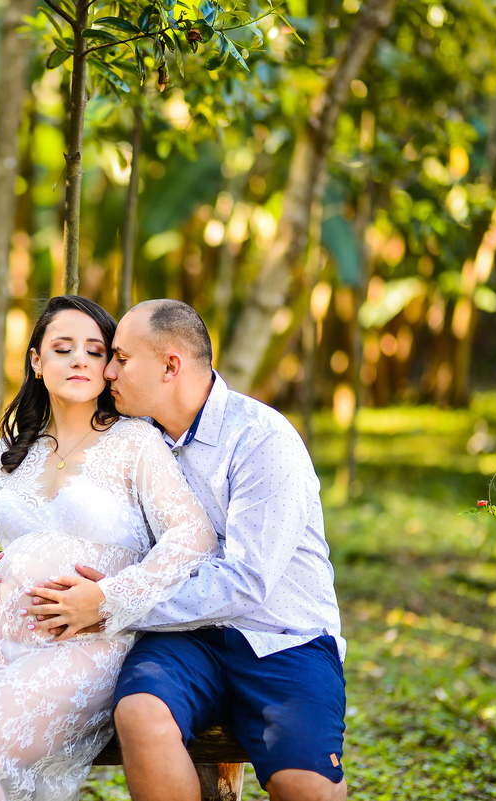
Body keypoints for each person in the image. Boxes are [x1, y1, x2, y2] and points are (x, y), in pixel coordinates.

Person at [0, 295, 219, 801]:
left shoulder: (136, 443)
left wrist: (111, 597)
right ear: (36, 360)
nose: (79, 360)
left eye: (96, 351)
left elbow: (193, 535)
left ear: (110, 367)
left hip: (91, 645)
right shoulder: (10, 455)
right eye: (62, 347)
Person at [26, 299, 348, 801]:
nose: (107, 371)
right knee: (139, 712)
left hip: (281, 637)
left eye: (121, 359)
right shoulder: (135, 437)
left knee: (305, 788)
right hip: (186, 637)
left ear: (170, 366)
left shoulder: (261, 440)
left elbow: (246, 582)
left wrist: (114, 603)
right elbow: (68, 481)